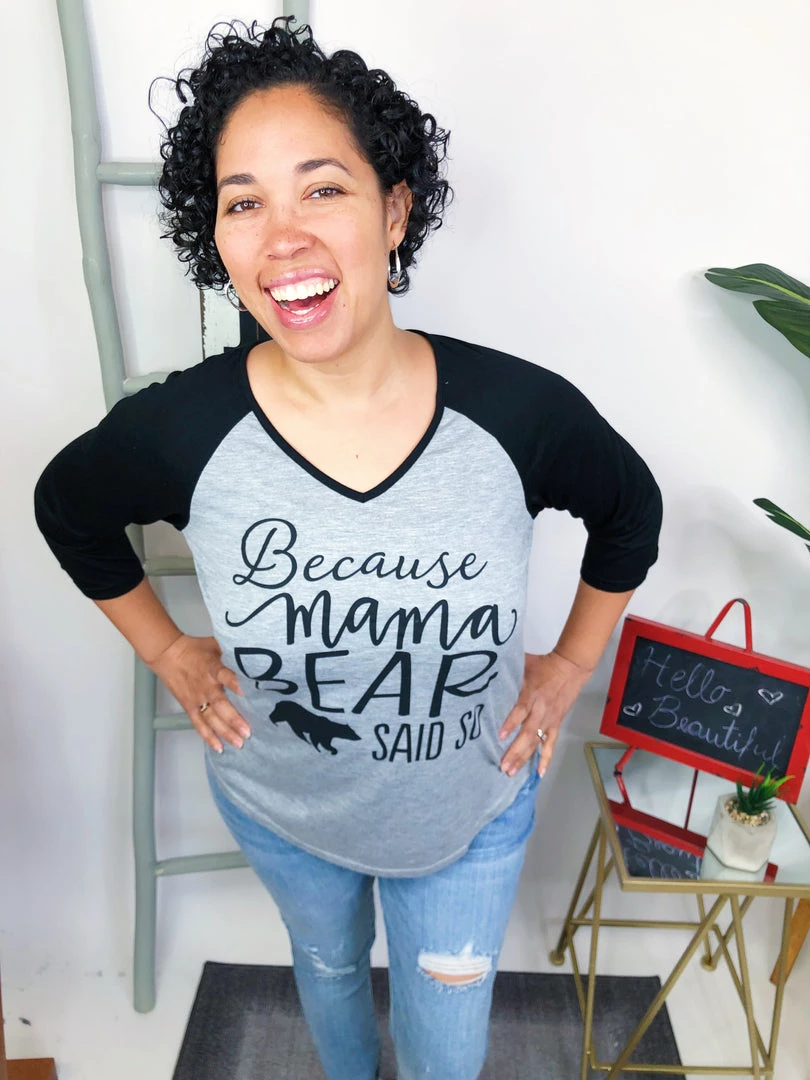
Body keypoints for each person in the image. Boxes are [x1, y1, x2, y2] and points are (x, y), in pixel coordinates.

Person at [35, 17, 662, 1080]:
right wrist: (168, 649)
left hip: (470, 814)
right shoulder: (183, 428)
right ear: (216, 235)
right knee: (327, 975)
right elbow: (68, 509)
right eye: (244, 203)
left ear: (394, 209)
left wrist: (567, 666)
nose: (282, 238)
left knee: (445, 1052)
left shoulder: (520, 413)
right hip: (283, 812)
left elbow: (631, 515)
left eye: (321, 188)